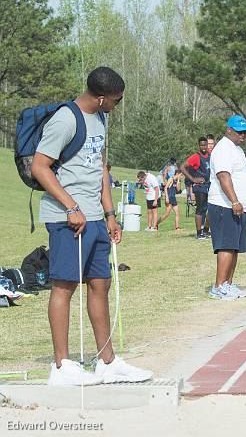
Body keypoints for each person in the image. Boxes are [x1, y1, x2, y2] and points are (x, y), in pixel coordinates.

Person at [31, 66, 151, 385]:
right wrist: (71, 206)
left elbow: (101, 168)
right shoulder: (65, 119)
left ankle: (107, 362)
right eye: (116, 100)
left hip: (96, 218)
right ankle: (61, 367)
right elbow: (40, 167)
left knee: (101, 284)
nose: (117, 104)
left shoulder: (101, 118)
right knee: (64, 286)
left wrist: (111, 215)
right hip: (67, 219)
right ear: (100, 98)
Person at [207, 115, 246, 300]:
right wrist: (235, 201)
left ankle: (228, 284)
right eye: (239, 131)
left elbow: (241, 176)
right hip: (225, 205)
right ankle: (219, 286)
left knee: (235, 247)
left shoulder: (236, 149)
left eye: (245, 132)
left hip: (238, 207)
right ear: (228, 130)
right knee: (226, 246)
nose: (243, 135)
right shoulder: (223, 149)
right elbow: (224, 176)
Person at [181, 137, 211, 239]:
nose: (203, 147)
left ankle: (206, 231)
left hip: (209, 185)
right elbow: (182, 167)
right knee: (200, 209)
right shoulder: (195, 157)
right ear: (198, 146)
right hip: (199, 186)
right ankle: (199, 233)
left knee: (211, 209)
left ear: (207, 145)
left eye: (205, 145)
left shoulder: (211, 155)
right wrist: (193, 179)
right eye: (201, 145)